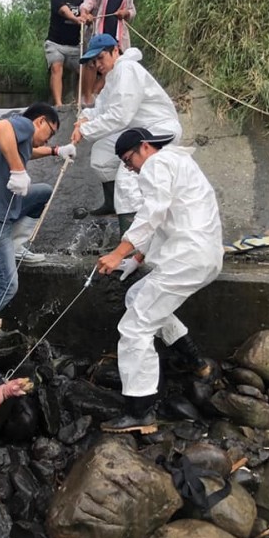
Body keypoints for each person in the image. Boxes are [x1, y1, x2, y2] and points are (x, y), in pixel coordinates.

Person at [96, 127, 222, 434]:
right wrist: (137, 258)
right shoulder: (179, 162)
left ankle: (140, 409)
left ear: (145, 147)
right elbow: (169, 217)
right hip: (202, 257)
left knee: (135, 326)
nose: (130, 168)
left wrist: (117, 253)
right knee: (137, 297)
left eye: (129, 160)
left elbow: (153, 213)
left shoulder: (156, 164)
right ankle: (195, 361)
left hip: (185, 259)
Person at [0, 103, 77, 335]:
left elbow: (28, 152)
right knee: (6, 284)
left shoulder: (21, 140)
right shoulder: (22, 124)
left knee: (42, 192)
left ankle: (16, 246)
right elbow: (1, 127)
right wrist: (17, 170)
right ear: (40, 121)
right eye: (50, 133)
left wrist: (55, 150)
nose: (47, 139)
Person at [71, 33, 182, 235]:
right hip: (137, 131)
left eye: (100, 58)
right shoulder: (113, 76)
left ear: (115, 50)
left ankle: (131, 240)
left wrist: (85, 131)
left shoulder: (127, 69)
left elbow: (119, 116)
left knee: (126, 177)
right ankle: (113, 204)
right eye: (93, 61)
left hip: (158, 130)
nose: (97, 65)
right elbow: (102, 108)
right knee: (101, 155)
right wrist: (84, 118)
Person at [79, 0, 135, 106]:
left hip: (116, 36)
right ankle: (86, 99)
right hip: (98, 33)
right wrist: (85, 12)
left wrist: (126, 13)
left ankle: (97, 96)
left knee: (111, 66)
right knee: (91, 64)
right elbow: (89, 1)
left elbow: (132, 10)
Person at [44, 0, 88, 108]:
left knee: (85, 71)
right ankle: (59, 104)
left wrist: (88, 17)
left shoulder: (84, 0)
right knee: (56, 67)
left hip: (75, 46)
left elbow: (88, 12)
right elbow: (64, 11)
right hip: (55, 44)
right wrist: (77, 19)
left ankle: (78, 101)